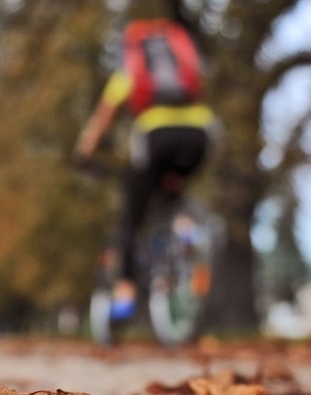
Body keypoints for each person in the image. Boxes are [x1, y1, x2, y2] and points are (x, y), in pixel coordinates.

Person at [74, 19, 213, 320]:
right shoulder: (183, 66)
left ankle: (125, 292)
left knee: (132, 214)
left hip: (156, 137)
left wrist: (84, 152)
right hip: (199, 137)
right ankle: (185, 233)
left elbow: (103, 118)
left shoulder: (130, 72)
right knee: (175, 187)